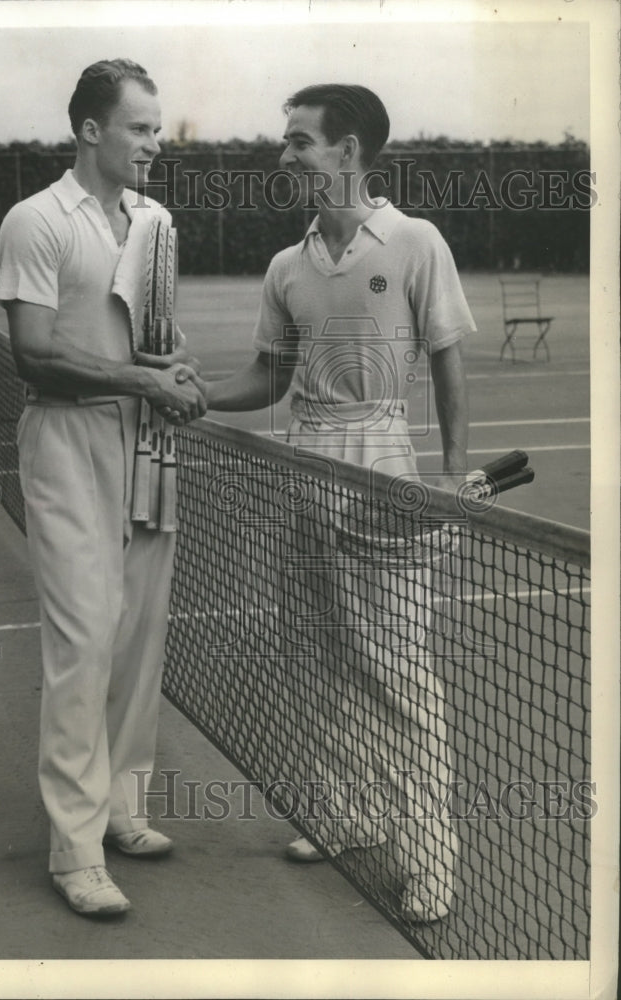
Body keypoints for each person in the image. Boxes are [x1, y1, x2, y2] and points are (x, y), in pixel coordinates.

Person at [205, 83, 475, 923]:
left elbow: (446, 364)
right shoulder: (287, 265)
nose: (283, 155)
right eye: (286, 141)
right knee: (311, 653)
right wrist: (195, 395)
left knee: (395, 671)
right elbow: (271, 377)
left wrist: (453, 479)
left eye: (298, 142)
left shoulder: (415, 241)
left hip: (380, 460)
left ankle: (430, 855)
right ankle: (346, 813)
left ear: (348, 151)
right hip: (303, 462)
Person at [0, 59, 206, 918]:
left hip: (146, 440)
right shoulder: (34, 220)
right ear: (90, 129)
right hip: (67, 441)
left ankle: (123, 808)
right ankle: (75, 850)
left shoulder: (155, 221)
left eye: (158, 128)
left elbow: (152, 336)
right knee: (83, 641)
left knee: (138, 635)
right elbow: (34, 354)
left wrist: (171, 366)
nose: (155, 143)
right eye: (140, 127)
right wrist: (140, 381)